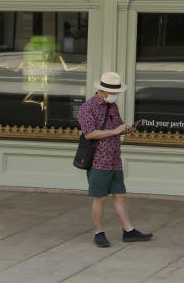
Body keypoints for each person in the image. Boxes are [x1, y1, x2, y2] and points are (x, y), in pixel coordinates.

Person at [77, 72, 153, 247]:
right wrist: (115, 131)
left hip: (114, 158)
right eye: (113, 93)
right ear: (102, 91)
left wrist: (126, 129)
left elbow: (117, 127)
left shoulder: (112, 107)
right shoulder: (87, 108)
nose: (115, 96)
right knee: (100, 197)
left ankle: (129, 230)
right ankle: (99, 232)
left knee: (120, 195)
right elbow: (89, 134)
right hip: (98, 159)